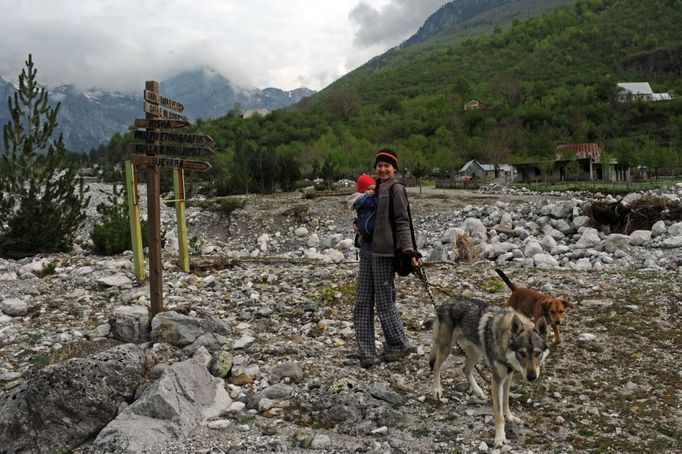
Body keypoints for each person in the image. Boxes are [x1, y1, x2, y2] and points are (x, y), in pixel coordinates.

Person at [354, 149, 422, 368]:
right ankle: (366, 352)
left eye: (387, 165)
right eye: (380, 165)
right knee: (362, 301)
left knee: (384, 302)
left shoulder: (396, 189)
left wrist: (409, 251)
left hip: (385, 253)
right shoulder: (373, 190)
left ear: (394, 169)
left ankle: (398, 345)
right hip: (366, 251)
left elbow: (402, 222)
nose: (383, 169)